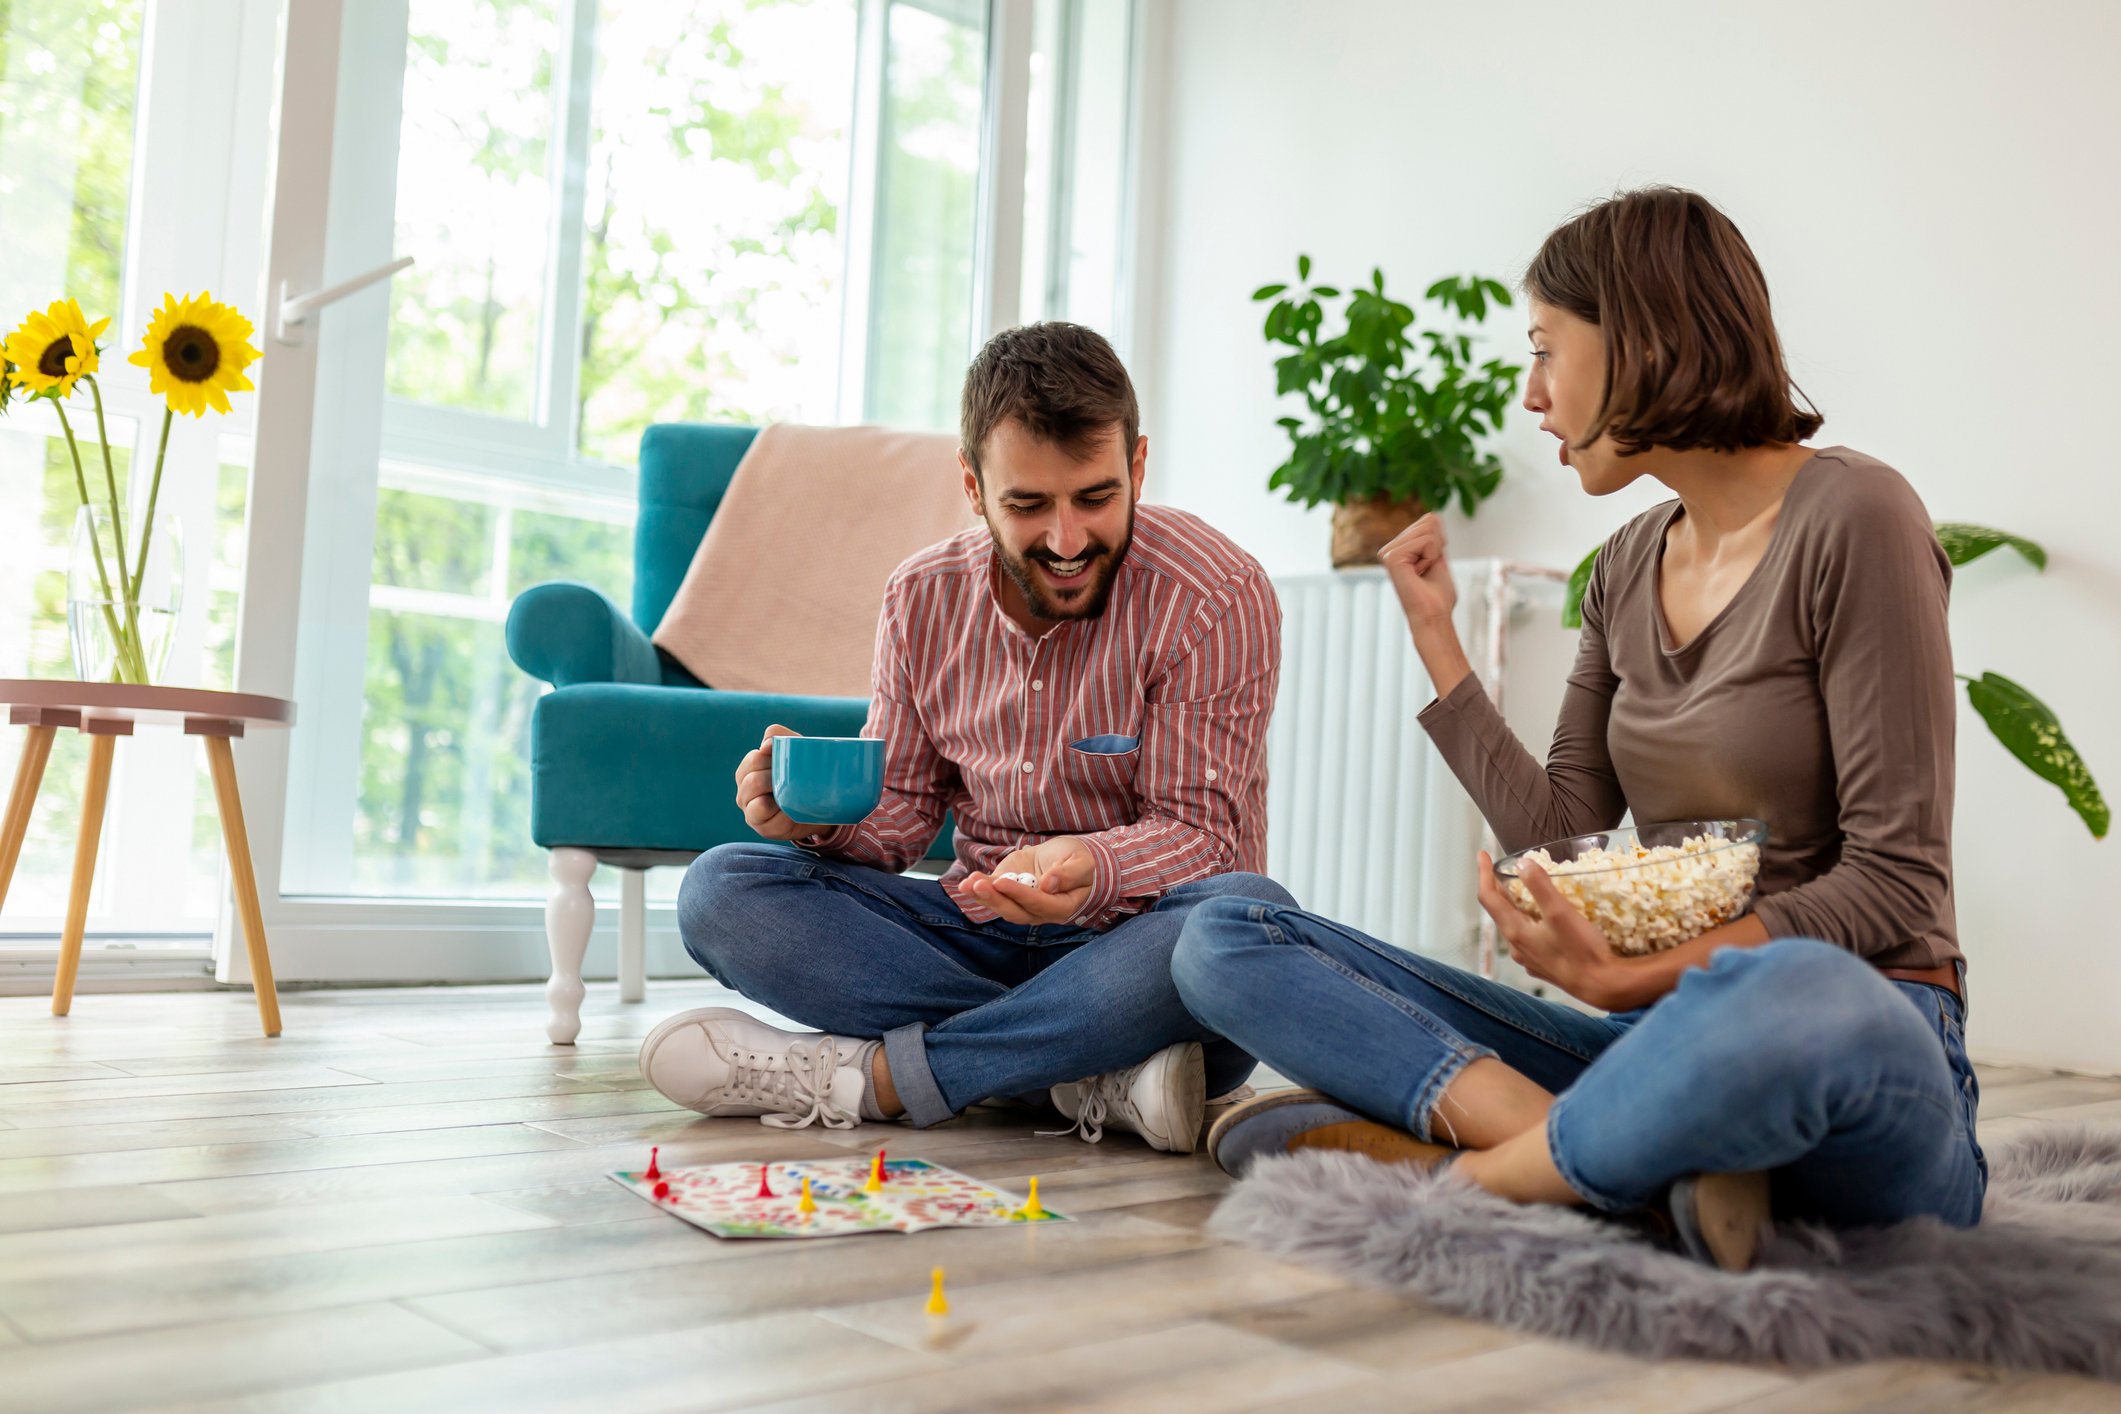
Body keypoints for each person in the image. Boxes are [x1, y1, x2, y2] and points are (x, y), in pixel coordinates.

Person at [1173, 187, 1984, 1270]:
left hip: (1859, 1042)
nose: (1531, 394)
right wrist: (1437, 640)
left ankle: (1478, 1175)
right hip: (1659, 1042)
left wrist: (1630, 977)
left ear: (1642, 338)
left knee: (1789, 991)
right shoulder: (1626, 565)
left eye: (1548, 349)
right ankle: (1648, 1169)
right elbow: (1564, 827)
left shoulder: (1860, 518)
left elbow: (1896, 883)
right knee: (1227, 935)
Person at [640, 321, 1290, 1152]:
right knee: (722, 889)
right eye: (1027, 505)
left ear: (1136, 468)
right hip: (970, 935)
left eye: (1094, 497)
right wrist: (813, 822)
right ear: (974, 487)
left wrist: (1090, 865)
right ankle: (1081, 1073)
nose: (1065, 541)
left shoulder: (1214, 594)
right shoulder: (920, 597)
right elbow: (901, 814)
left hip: (1135, 953)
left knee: (1247, 917)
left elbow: (1203, 841)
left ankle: (871, 1079)